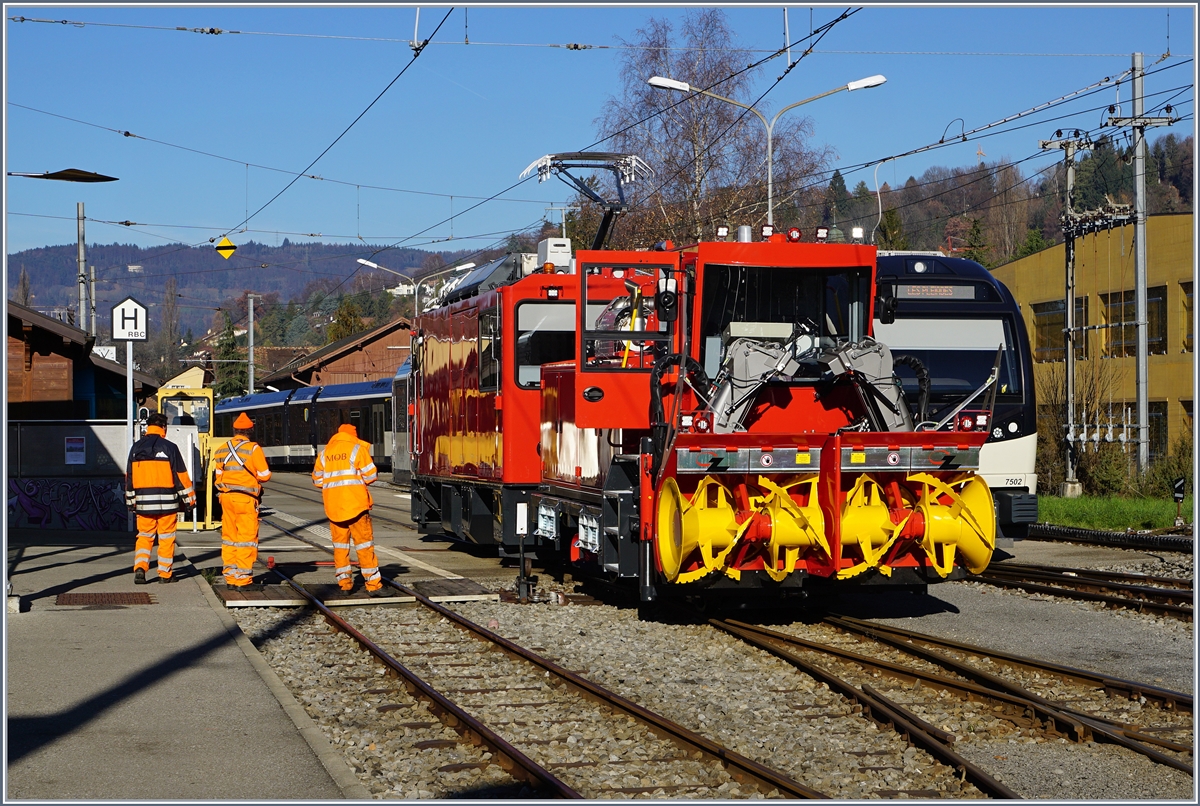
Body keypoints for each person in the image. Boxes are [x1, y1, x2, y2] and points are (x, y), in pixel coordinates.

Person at [312, 420, 387, 596]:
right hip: (356, 507)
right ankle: (373, 585)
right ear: (353, 437)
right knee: (364, 545)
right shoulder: (357, 450)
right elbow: (371, 476)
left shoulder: (324, 454)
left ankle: (345, 584)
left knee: (340, 547)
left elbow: (317, 480)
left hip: (334, 508)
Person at [125, 411, 196, 584]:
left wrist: (130, 502)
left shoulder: (136, 448)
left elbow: (129, 478)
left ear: (148, 426)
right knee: (166, 538)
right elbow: (181, 477)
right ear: (164, 427)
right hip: (167, 505)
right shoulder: (170, 447)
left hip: (143, 504)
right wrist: (190, 501)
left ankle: (140, 567)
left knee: (144, 536)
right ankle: (165, 574)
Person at [214, 412, 272, 591]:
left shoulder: (222, 449)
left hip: (226, 498)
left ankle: (230, 577)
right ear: (250, 430)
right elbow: (265, 475)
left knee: (230, 538)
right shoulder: (253, 449)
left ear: (235, 430)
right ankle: (243, 579)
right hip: (245, 499)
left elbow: (218, 475)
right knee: (246, 538)